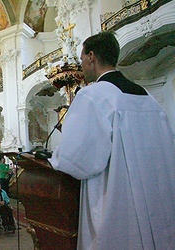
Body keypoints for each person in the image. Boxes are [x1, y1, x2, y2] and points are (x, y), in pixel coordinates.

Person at [49, 31, 175, 249]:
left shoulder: (93, 95)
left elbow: (78, 159)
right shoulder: (147, 96)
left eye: (81, 60)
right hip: (157, 201)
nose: (82, 66)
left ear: (91, 57)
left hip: (119, 203)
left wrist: (55, 156)